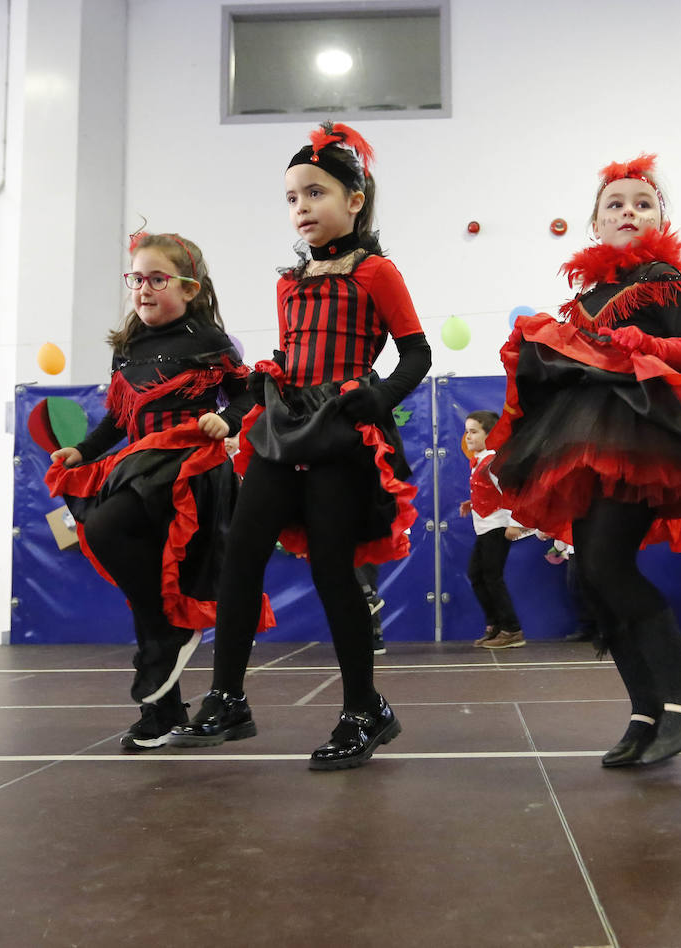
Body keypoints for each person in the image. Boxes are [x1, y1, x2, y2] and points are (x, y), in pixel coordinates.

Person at [490, 154, 681, 766]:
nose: (629, 210)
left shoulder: (660, 279)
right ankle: (647, 709)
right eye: (615, 204)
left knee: (604, 565)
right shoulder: (588, 295)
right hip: (586, 439)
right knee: (591, 574)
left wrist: (650, 344)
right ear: (594, 223)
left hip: (636, 437)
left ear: (660, 220)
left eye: (642, 203)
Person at [170, 122, 430, 770]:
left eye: (315, 192)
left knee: (331, 569)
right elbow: (292, 355)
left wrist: (381, 392)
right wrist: (250, 405)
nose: (302, 207)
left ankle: (363, 708)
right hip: (283, 427)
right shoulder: (291, 281)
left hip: (342, 430)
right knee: (240, 554)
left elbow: (417, 351)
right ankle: (227, 698)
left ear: (356, 200)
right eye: (292, 197)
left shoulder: (377, 271)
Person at [45, 231, 268, 752]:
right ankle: (162, 707)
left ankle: (166, 637)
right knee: (137, 572)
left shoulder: (207, 339)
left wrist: (225, 420)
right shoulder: (130, 349)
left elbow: (247, 391)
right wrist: (82, 451)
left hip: (188, 467)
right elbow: (119, 418)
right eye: (136, 279)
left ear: (189, 288)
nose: (143, 289)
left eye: (156, 279)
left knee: (102, 525)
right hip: (138, 465)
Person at [459, 410, 528, 649]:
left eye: (474, 431)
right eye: (467, 431)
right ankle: (495, 624)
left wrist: (515, 523)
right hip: (485, 526)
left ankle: (511, 628)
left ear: (490, 435)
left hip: (497, 526)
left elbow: (511, 492)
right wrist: (472, 502)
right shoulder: (479, 460)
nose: (468, 437)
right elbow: (489, 491)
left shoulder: (493, 462)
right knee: (476, 574)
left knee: (492, 577)